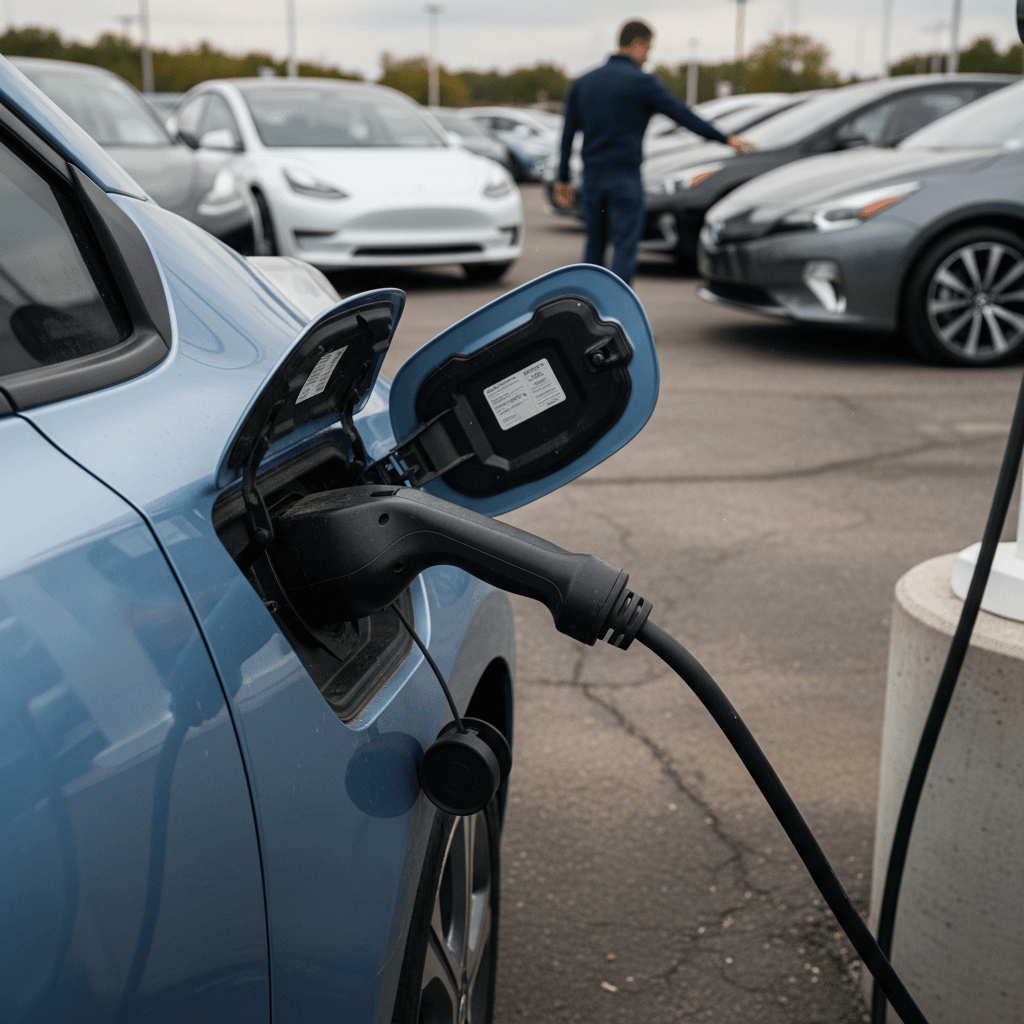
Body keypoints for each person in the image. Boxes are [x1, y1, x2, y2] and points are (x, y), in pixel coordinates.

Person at [555, 20, 754, 285]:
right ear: (639, 44)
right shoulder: (641, 82)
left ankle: (589, 311)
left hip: (592, 179)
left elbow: (567, 136)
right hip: (624, 178)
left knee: (595, 245)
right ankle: (620, 316)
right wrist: (725, 138)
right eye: (649, 49)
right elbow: (683, 115)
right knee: (625, 247)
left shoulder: (583, 83)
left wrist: (563, 179)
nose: (648, 56)